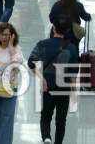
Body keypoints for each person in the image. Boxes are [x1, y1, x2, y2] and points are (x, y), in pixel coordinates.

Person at [29, 14, 81, 144]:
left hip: (48, 88)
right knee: (61, 120)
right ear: (67, 30)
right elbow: (74, 71)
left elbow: (31, 62)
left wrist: (41, 78)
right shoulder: (72, 48)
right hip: (64, 89)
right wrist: (74, 90)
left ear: (53, 28)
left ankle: (46, 138)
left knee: (46, 117)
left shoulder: (42, 44)